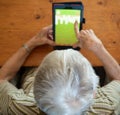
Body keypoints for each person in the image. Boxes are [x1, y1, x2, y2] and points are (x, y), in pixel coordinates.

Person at [0, 22, 120, 115]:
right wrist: (98, 48)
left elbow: (2, 78)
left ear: (35, 91)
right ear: (94, 93)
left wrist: (32, 43)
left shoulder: (16, 106)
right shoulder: (108, 106)